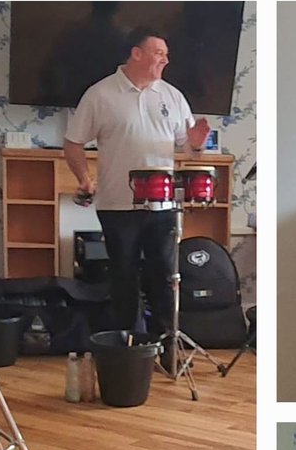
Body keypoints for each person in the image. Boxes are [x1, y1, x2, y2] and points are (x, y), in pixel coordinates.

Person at [63, 28, 212, 373]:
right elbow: (73, 143)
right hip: (117, 204)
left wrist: (195, 142)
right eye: (159, 52)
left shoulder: (173, 96)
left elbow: (186, 148)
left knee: (164, 275)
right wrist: (84, 178)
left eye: (167, 54)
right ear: (137, 54)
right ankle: (132, 352)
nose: (165, 59)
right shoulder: (100, 94)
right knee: (124, 278)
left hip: (162, 205)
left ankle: (167, 351)